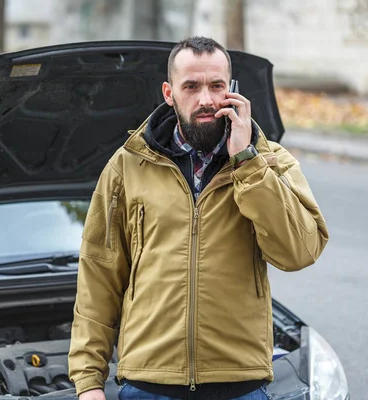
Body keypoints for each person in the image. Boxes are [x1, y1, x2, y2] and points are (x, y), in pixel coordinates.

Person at [67, 36, 329, 400]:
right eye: (191, 86)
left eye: (216, 86)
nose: (206, 99)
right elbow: (99, 273)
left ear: (231, 90)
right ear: (169, 92)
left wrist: (247, 163)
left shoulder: (270, 162)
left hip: (240, 384)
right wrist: (88, 383)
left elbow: (299, 252)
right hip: (149, 383)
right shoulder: (128, 165)